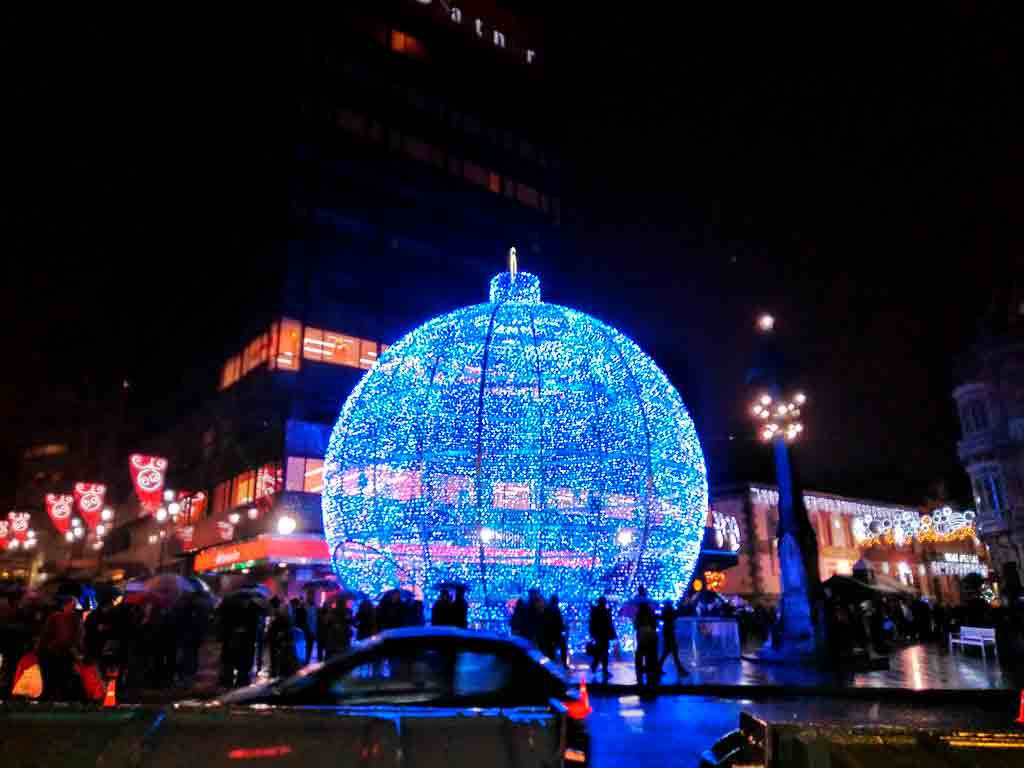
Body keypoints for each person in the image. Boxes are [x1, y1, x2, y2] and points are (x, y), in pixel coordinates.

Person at [38, 595, 82, 700]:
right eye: (73, 605)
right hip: (58, 652)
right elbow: (61, 637)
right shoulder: (58, 617)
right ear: (65, 605)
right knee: (58, 677)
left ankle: (58, 697)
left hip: (62, 652)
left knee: (61, 677)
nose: (74, 608)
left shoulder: (71, 618)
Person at [633, 586, 659, 690]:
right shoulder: (650, 611)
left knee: (640, 651)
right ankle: (648, 670)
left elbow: (635, 625)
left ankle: (639, 669)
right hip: (649, 634)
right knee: (648, 652)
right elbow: (655, 624)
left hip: (641, 634)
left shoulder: (638, 613)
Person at [588, 596, 616, 681]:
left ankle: (596, 666)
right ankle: (602, 669)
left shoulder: (596, 611)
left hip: (599, 634)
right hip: (604, 634)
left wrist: (592, 633)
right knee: (603, 652)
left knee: (600, 651)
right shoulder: (604, 611)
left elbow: (592, 622)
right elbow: (609, 623)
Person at [658, 599, 687, 679]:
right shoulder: (669, 610)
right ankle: (680, 670)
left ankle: (658, 668)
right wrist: (679, 607)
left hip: (667, 632)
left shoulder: (665, 611)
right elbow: (675, 615)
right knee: (673, 652)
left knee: (669, 652)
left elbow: (673, 616)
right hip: (669, 632)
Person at [542, 594, 568, 667]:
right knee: (563, 647)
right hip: (556, 632)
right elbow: (559, 621)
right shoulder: (556, 609)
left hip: (549, 632)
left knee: (551, 649)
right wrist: (562, 628)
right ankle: (564, 664)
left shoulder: (547, 608)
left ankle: (551, 664)